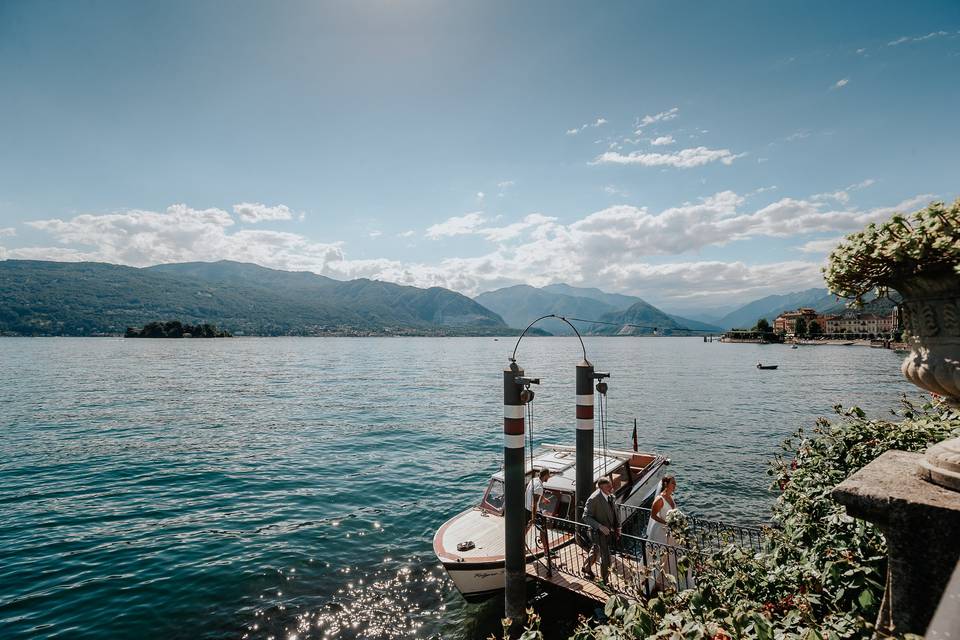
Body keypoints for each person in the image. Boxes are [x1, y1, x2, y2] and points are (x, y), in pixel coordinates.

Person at [645, 474, 692, 590]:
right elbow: (653, 515)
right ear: (666, 484)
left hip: (670, 531)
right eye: (673, 483)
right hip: (660, 531)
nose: (675, 485)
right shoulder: (659, 499)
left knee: (673, 555)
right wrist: (667, 522)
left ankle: (670, 582)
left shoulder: (671, 497)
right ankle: (649, 584)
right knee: (659, 557)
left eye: (675, 483)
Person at [581, 477, 620, 582]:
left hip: (609, 531)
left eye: (611, 485)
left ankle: (586, 567)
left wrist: (618, 527)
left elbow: (615, 512)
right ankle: (605, 581)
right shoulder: (594, 499)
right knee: (606, 557)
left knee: (595, 549)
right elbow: (585, 517)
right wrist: (600, 527)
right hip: (597, 532)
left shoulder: (610, 496)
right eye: (608, 486)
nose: (611, 487)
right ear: (601, 487)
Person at [525, 468, 552, 571]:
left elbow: (535, 494)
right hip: (534, 511)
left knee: (526, 528)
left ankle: (521, 547)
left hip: (526, 508)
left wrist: (543, 499)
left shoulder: (534, 480)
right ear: (545, 475)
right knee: (543, 531)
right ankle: (546, 553)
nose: (549, 477)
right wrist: (533, 517)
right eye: (548, 476)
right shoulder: (539, 487)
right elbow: (535, 503)